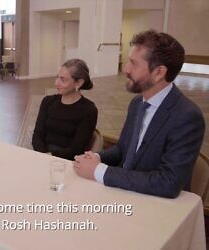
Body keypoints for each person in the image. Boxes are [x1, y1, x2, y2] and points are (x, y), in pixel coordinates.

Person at [74, 30, 205, 198]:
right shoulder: (137, 103)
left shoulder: (187, 117)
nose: (126, 69)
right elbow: (123, 150)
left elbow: (168, 183)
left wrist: (99, 171)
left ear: (159, 72)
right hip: (127, 193)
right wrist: (97, 157)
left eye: (134, 64)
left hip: (160, 208)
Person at [32, 59, 98, 160]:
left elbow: (76, 149)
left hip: (66, 162)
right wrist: (42, 155)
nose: (56, 83)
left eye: (63, 80)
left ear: (78, 83)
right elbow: (37, 135)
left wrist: (50, 156)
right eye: (57, 77)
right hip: (43, 155)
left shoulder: (89, 110)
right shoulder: (48, 102)